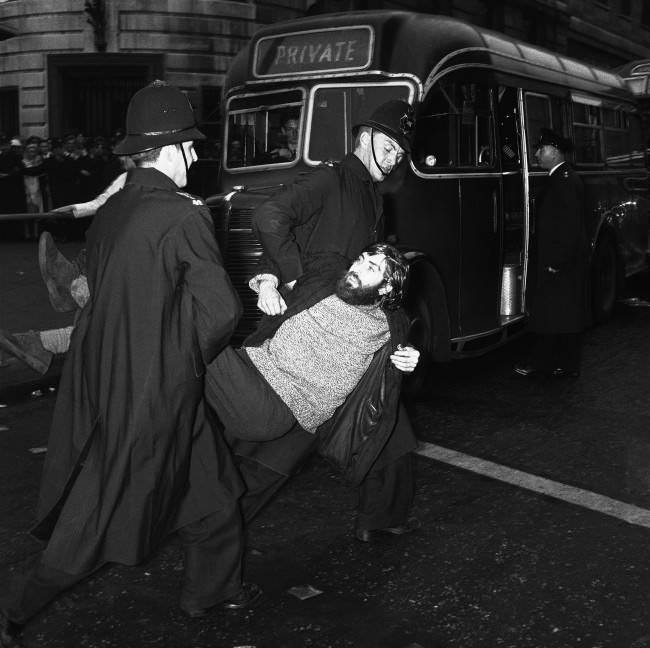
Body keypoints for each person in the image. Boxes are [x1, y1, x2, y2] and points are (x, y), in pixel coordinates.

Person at [0, 80, 259, 648]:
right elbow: (219, 313)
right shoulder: (183, 214)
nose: (195, 155)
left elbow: (103, 290)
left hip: (118, 380)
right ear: (170, 148)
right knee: (98, 516)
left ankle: (213, 589)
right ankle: (15, 611)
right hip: (154, 393)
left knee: (213, 491)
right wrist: (174, 357)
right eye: (190, 145)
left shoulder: (116, 208)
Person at [233, 99, 420, 541]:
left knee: (390, 428)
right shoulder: (331, 177)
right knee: (277, 449)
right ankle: (218, 524)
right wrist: (290, 278)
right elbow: (271, 217)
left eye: (400, 153)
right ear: (365, 138)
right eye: (390, 147)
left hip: (353, 334)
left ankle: (382, 516)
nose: (394, 160)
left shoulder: (373, 197)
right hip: (316, 332)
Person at [514, 128, 588, 379]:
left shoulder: (563, 181)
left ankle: (543, 362)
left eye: (541, 149)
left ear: (555, 152)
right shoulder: (562, 177)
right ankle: (565, 364)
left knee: (551, 314)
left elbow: (569, 226)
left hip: (558, 261)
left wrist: (556, 261)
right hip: (560, 261)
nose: (536, 153)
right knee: (562, 314)